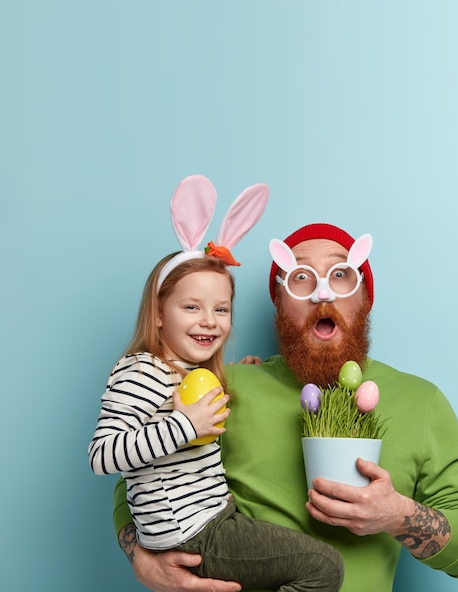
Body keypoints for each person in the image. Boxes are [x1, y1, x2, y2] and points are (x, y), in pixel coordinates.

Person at [113, 222, 458, 592]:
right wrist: (142, 560)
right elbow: (138, 477)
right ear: (279, 303)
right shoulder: (229, 387)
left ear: (365, 298)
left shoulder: (421, 402)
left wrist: (397, 515)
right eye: (301, 278)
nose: (322, 294)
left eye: (341, 275)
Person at [90, 179, 345, 591]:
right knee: (323, 566)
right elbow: (102, 455)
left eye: (221, 309)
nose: (209, 320)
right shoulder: (140, 370)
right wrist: (185, 426)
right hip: (194, 531)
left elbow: (181, 397)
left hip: (212, 515)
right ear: (157, 313)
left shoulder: (184, 370)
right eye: (192, 307)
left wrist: (238, 370)